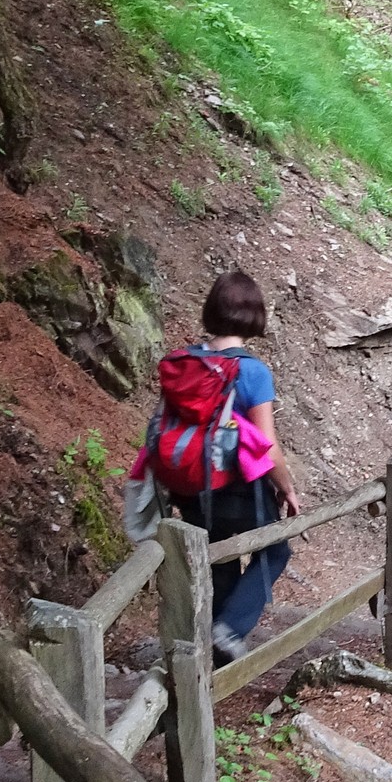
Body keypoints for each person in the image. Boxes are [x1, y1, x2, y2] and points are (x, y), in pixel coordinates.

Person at [124, 270, 302, 663]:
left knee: (219, 559)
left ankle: (213, 658)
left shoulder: (184, 364)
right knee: (275, 550)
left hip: (189, 485)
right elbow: (267, 446)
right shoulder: (251, 371)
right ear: (255, 316)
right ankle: (229, 630)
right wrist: (287, 488)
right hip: (238, 487)